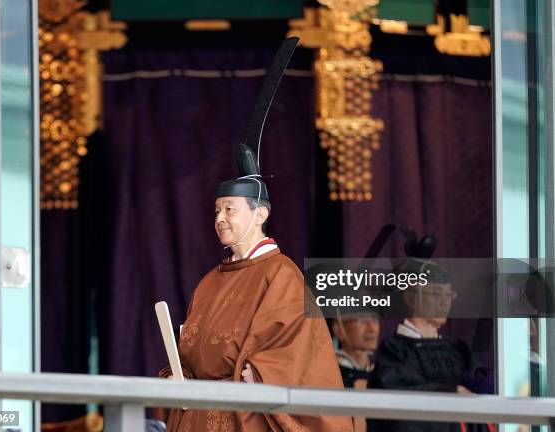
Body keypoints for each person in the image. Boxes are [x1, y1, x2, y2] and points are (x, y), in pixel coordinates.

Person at [158, 38, 353, 431]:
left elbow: (294, 352)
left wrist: (260, 375)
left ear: (260, 213)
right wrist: (175, 378)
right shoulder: (210, 281)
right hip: (197, 413)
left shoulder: (281, 276)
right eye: (216, 210)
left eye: (230, 209)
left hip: (240, 416)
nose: (220, 219)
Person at [367, 258, 488, 432]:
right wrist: (451, 393)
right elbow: (399, 403)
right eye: (437, 294)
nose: (445, 302)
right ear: (411, 298)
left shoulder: (457, 349)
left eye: (449, 294)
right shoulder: (395, 351)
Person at [332, 313, 379, 389]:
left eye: (374, 320)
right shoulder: (329, 373)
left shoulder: (383, 372)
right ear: (339, 329)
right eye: (363, 321)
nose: (372, 329)